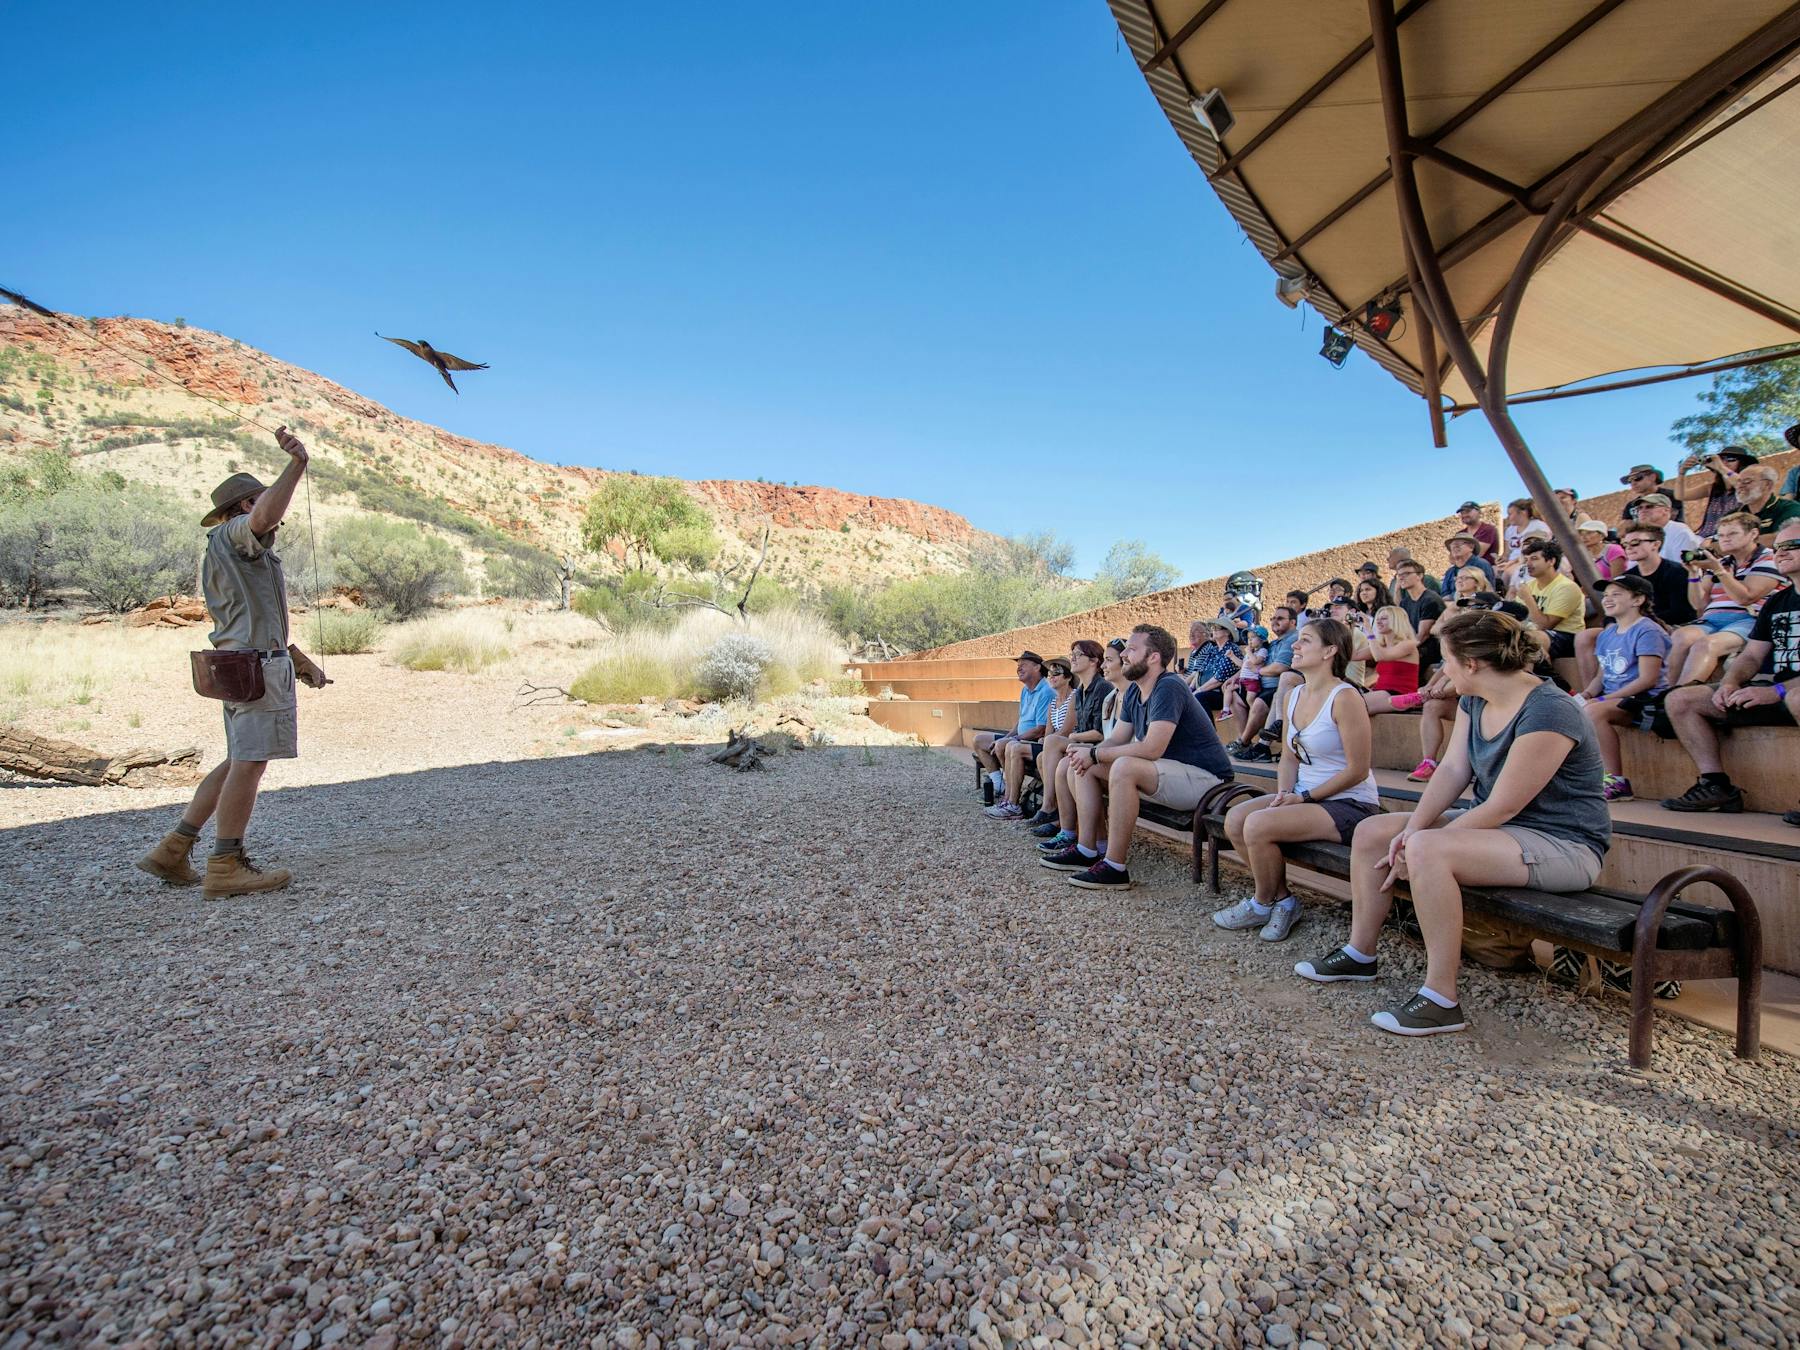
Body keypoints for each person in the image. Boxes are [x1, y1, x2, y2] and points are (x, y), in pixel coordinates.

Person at [1294, 610, 1610, 1037]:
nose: (1440, 671)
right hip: (1501, 833)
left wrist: (1417, 844)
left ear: (1472, 663)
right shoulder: (1474, 700)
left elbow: (1502, 806)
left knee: (1426, 848)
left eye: (1445, 659)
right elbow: (1452, 771)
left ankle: (1441, 998)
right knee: (1373, 832)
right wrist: (1409, 832)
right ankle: (1360, 952)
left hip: (1562, 843)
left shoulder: (1550, 710)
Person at [136, 427, 330, 898]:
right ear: (245, 506)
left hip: (241, 665)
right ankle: (226, 863)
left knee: (236, 759)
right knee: (250, 762)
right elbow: (265, 516)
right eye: (260, 503)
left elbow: (252, 615)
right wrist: (297, 465)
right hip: (256, 670)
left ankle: (174, 849)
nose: (274, 519)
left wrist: (297, 658)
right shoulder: (236, 535)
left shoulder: (233, 548)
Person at [1214, 618, 1381, 942]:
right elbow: (1289, 757)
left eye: (1305, 640)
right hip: (1305, 794)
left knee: (1259, 825)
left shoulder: (1346, 697)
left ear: (1330, 650)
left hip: (1350, 802)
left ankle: (1262, 902)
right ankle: (1284, 900)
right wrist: (1284, 794)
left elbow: (1358, 769)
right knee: (1235, 819)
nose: (1294, 645)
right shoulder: (1293, 695)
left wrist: (1303, 799)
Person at [1042, 624, 1232, 889]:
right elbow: (1118, 738)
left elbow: (1152, 748)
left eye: (1132, 649)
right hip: (1167, 772)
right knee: (1076, 764)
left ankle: (1115, 866)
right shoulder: (1134, 689)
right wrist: (1088, 754)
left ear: (1153, 657)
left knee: (1123, 767)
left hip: (1206, 780)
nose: (1124, 656)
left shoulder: (1169, 687)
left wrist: (1097, 753)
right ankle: (1087, 849)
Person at [1660, 520, 1800, 816]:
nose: (1782, 553)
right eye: (1778, 548)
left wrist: (1777, 690)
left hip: (1789, 694)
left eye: (1792, 546)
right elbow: (1751, 656)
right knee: (1681, 699)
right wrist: (1730, 683)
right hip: (1778, 692)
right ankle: (1716, 786)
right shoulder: (1777, 602)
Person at [1575, 574, 1669, 802]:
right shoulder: (1607, 633)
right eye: (1606, 595)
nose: (1607, 599)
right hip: (1617, 699)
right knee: (1574, 708)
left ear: (1638, 600)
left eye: (1616, 594)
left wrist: (1602, 700)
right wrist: (1586, 694)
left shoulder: (1648, 630)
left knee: (1593, 711)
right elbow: (1602, 674)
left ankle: (1616, 781)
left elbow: (1648, 679)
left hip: (1646, 700)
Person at [1664, 512, 1782, 689]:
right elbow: (1698, 604)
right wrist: (1693, 574)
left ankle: (1677, 694)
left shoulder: (1769, 558)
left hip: (1750, 619)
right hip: (1712, 619)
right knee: (1680, 637)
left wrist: (1719, 571)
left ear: (1753, 534)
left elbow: (1745, 597)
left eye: (1732, 534)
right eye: (1721, 535)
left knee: (1707, 644)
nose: (1725, 539)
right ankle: (1666, 697)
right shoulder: (1722, 562)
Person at [1573, 523, 1695, 688]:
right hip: (1630, 626)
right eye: (1626, 544)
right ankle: (1591, 691)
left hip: (1665, 626)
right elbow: (1612, 612)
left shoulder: (1676, 572)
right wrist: (1611, 626)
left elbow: (1682, 612)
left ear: (1656, 544)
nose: (1629, 548)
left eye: (1635, 543)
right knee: (1585, 637)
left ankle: (1661, 693)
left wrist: (1637, 624)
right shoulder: (1628, 577)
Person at [1030, 641, 1124, 845]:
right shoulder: (1080, 692)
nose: (1072, 657)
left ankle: (1049, 809)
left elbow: (1101, 733)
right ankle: (1066, 828)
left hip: (1101, 748)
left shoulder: (1103, 688)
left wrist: (1072, 738)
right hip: (1088, 746)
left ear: (1093, 661)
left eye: (1077, 654)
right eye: (1071, 654)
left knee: (1057, 746)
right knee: (1051, 758)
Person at [989, 658, 1077, 820]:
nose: (1051, 676)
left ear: (1069, 677)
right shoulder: (1053, 702)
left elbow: (1065, 732)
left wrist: (1046, 740)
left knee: (1015, 747)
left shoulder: (1074, 697)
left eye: (1056, 673)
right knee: (1011, 746)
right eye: (1050, 673)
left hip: (1066, 748)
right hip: (1051, 747)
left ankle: (1014, 805)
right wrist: (1045, 740)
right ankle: (1008, 800)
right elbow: (1049, 732)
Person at [972, 651, 1054, 804]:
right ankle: (999, 784)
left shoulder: (1046, 691)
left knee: (1005, 745)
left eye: (1023, 665)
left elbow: (1040, 729)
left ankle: (1011, 794)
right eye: (1018, 666)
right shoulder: (1025, 690)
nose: (1019, 668)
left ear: (1037, 667)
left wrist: (1011, 739)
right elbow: (1020, 721)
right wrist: (1007, 736)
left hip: (1035, 741)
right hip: (1019, 738)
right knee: (979, 740)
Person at [1236, 606, 1298, 759]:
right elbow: (1250, 664)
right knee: (1233, 695)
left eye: (1280, 618)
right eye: (1273, 618)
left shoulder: (1292, 639)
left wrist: (1258, 671)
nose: (1275, 621)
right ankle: (1251, 743)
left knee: (1258, 703)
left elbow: (1280, 668)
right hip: (1263, 685)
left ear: (1293, 622)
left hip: (1278, 686)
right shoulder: (1275, 643)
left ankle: (1244, 743)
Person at [1509, 538, 1585, 658]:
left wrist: (1528, 598)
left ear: (1551, 561)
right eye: (1526, 559)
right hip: (1537, 633)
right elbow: (1519, 618)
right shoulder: (1529, 586)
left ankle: (1547, 675)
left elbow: (1544, 625)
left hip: (1567, 637)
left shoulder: (1566, 587)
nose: (1528, 564)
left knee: (1530, 638)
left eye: (1534, 559)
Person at [1671, 445, 1759, 537]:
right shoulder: (1713, 488)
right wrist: (1682, 472)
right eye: (1722, 459)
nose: (1725, 462)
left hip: (1734, 535)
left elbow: (1741, 484)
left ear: (1742, 463)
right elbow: (1681, 495)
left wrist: (1721, 467)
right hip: (1706, 536)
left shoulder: (1745, 485)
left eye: (1730, 459)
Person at [1360, 606, 1421, 714]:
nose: (1378, 621)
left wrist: (1369, 631)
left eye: (1384, 618)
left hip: (1400, 694)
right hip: (1380, 692)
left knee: (1353, 705)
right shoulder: (1380, 645)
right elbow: (1352, 655)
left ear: (1397, 621)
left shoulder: (1408, 644)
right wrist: (1347, 628)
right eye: (1377, 618)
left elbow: (1380, 656)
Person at [1393, 559, 1445, 671]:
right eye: (1399, 575)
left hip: (1429, 650)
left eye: (1406, 574)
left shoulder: (1431, 599)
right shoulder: (1405, 602)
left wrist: (1399, 652)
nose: (1401, 577)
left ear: (1420, 576)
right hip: (1413, 647)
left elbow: (1422, 636)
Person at [1730, 463, 1800, 541]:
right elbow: (1716, 543)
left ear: (1767, 484)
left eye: (1747, 481)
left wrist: (1736, 543)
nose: (1740, 486)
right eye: (1738, 482)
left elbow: (1784, 539)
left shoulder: (1790, 509)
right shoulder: (1733, 515)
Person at [1224, 628, 1269, 749]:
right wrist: (1232, 656)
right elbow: (1242, 665)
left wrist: (1249, 653)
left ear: (1262, 639)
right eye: (1248, 639)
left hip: (1253, 681)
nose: (1249, 641)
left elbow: (1255, 661)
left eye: (1252, 638)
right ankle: (1227, 711)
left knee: (1250, 700)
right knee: (1230, 691)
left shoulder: (1262, 651)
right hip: (1244, 681)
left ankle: (1256, 720)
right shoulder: (1252, 652)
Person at [1627, 493, 1702, 564]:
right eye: (1639, 508)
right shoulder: (1639, 535)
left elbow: (1684, 568)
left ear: (1666, 510)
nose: (1642, 511)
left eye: (1649, 506)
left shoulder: (1680, 531)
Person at [1187, 620, 1242, 716]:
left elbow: (1219, 679)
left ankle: (1208, 730)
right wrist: (1191, 689)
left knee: (1199, 698)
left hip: (1222, 693)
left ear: (1227, 632)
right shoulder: (1214, 649)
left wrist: (1197, 691)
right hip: (1207, 690)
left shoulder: (1231, 648)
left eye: (1218, 628)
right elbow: (1200, 670)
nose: (1214, 630)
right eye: (1213, 628)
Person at [1501, 498, 1553, 577]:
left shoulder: (1539, 526)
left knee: (1508, 573)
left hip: (1528, 561)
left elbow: (1540, 551)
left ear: (1522, 513)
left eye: (1510, 514)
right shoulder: (1510, 530)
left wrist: (1513, 563)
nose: (1508, 517)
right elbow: (1506, 554)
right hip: (1511, 562)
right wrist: (1501, 559)